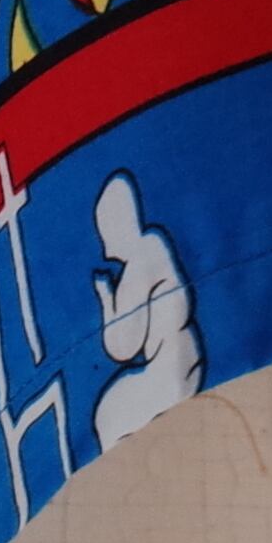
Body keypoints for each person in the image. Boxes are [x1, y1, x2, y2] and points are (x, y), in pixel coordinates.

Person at [90, 171, 203, 449]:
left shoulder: (141, 259)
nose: (105, 251)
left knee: (108, 413)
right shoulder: (154, 244)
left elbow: (121, 346)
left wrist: (106, 298)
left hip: (170, 375)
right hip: (190, 359)